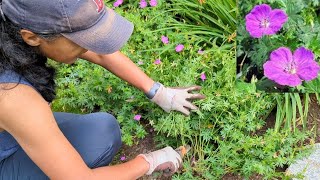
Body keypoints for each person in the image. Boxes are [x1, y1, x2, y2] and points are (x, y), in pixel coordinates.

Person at [0, 0, 205, 179]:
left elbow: (99, 53)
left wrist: (158, 92)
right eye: (80, 40)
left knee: (102, 129)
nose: (88, 46)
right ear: (32, 37)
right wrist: (149, 162)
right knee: (99, 142)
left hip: (10, 130)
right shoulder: (11, 93)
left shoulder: (12, 21)